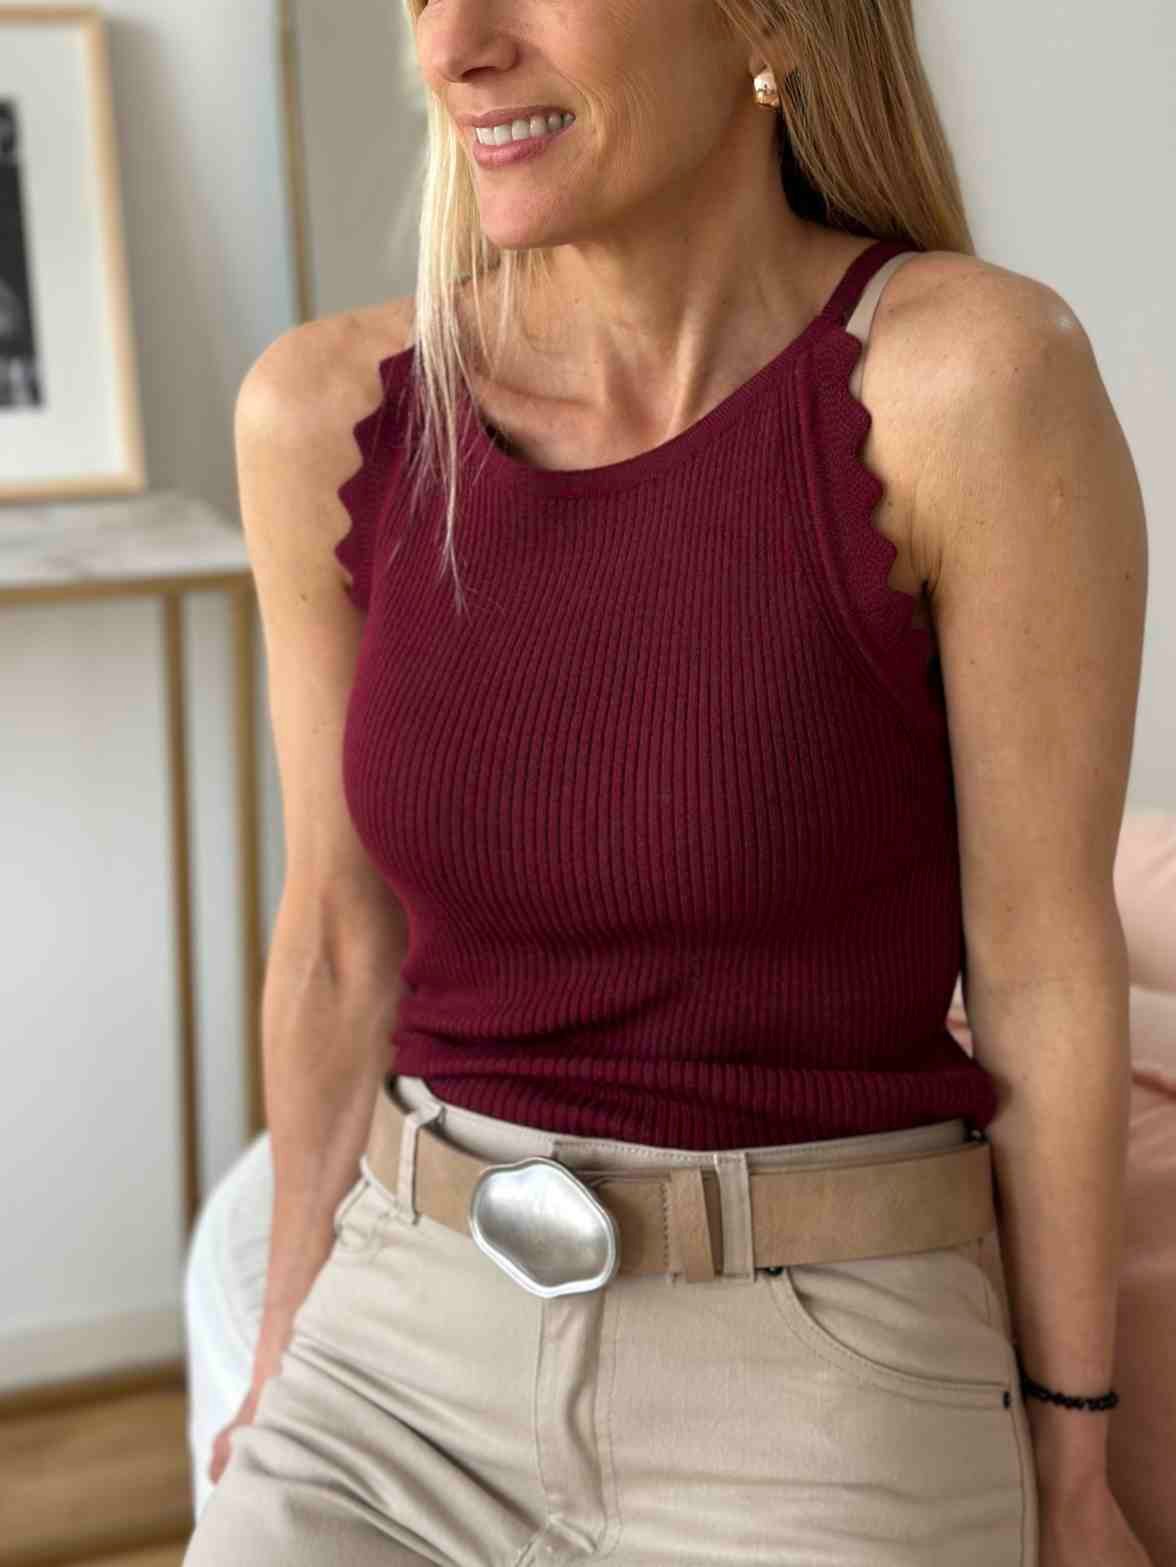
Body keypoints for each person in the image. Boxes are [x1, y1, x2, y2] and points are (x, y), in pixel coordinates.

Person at [184, 0, 1151, 1562]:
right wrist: (287, 1343)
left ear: (766, 16)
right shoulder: (326, 414)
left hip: (822, 1390)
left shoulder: (968, 383)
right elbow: (337, 944)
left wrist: (1074, 1454)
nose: (453, 46)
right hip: (394, 1369)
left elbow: (1041, 963)